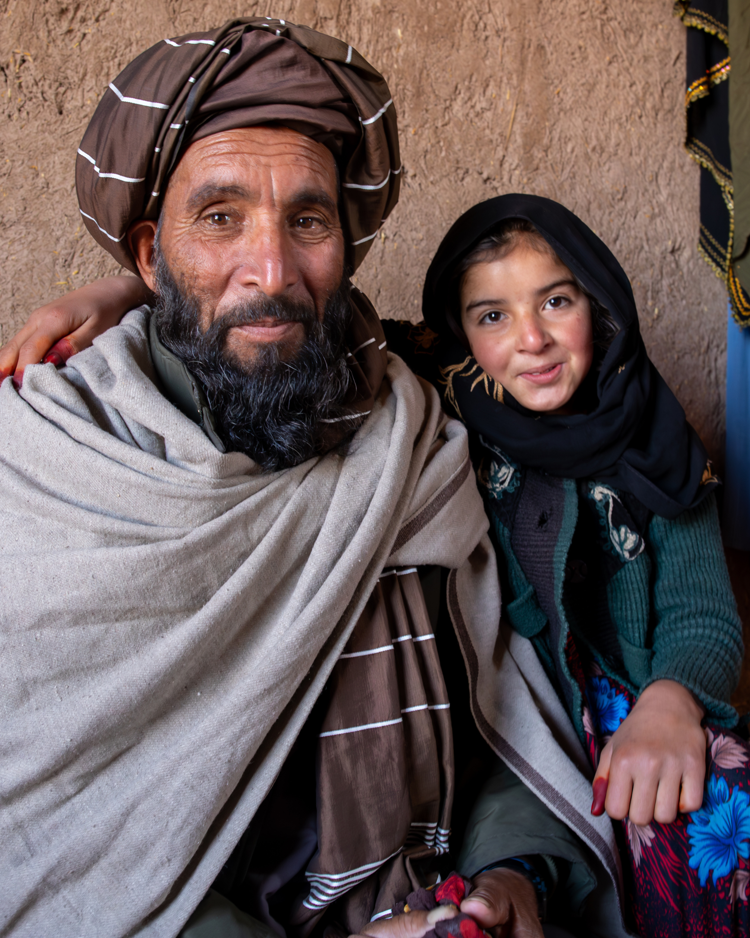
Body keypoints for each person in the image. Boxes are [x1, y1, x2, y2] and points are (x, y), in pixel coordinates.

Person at [0, 21, 607, 938]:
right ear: (146, 257)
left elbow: (494, 721)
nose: (273, 271)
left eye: (309, 220)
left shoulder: (412, 432)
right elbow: (51, 846)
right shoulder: (50, 463)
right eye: (220, 218)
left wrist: (510, 877)